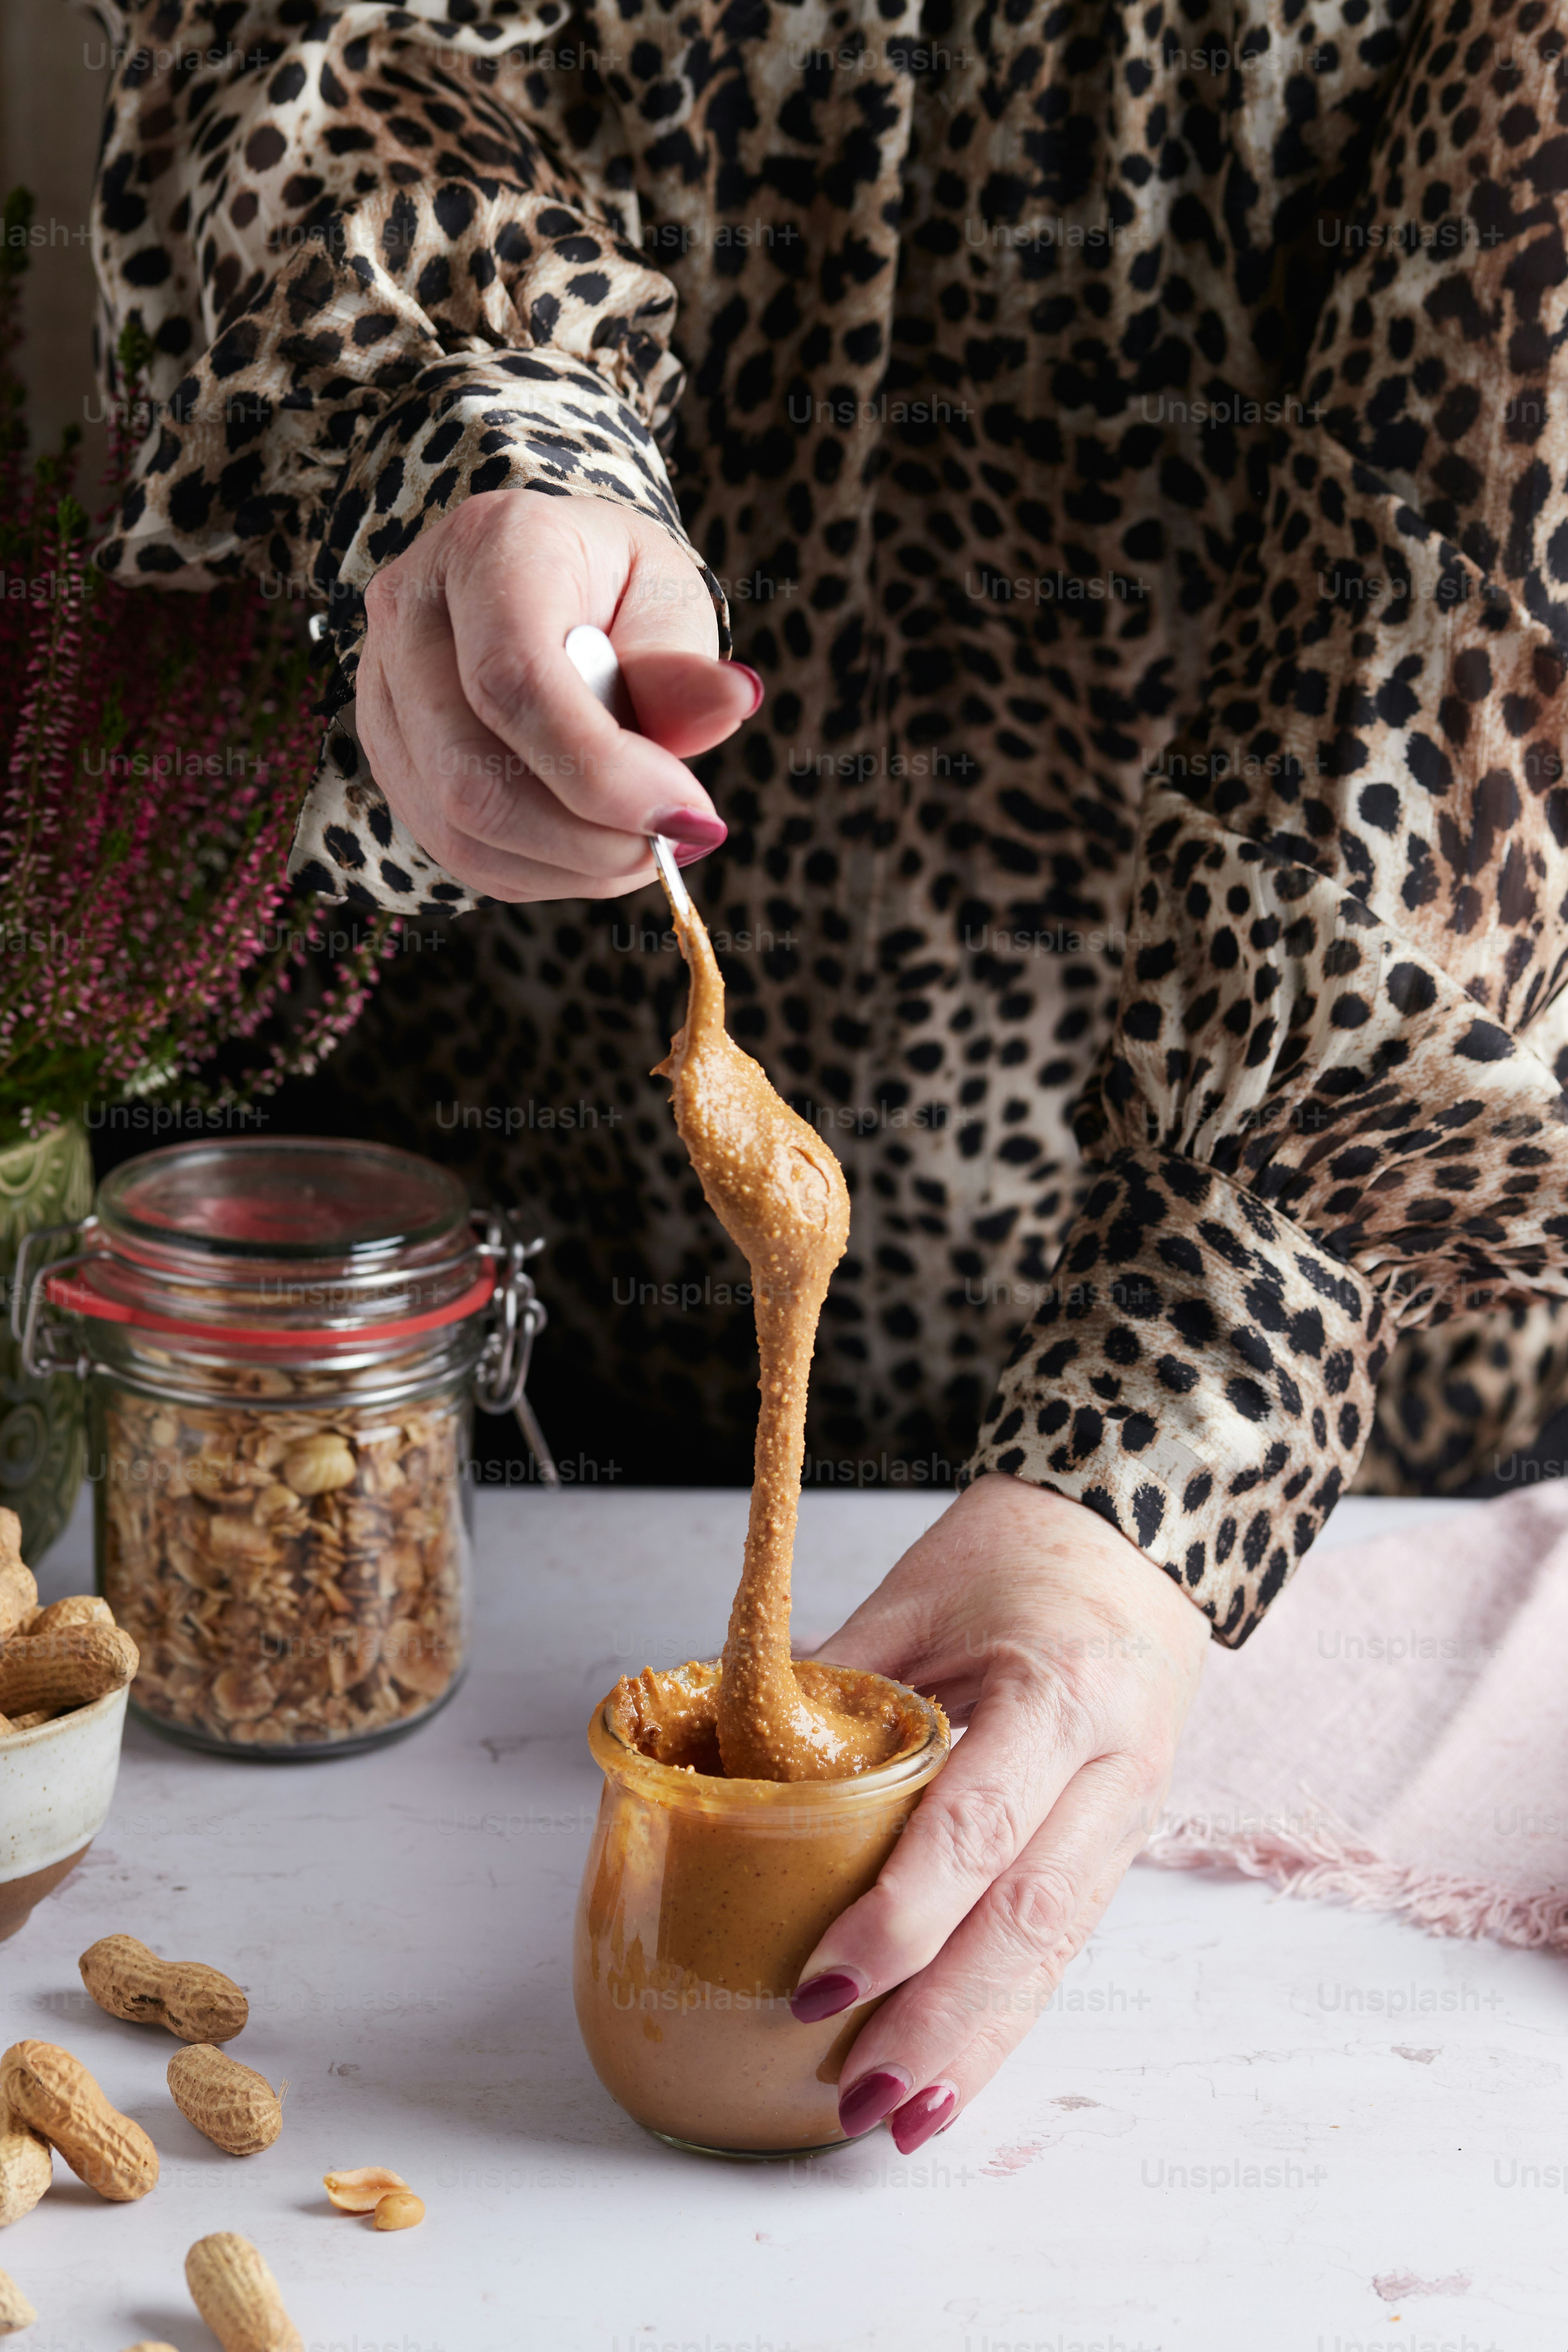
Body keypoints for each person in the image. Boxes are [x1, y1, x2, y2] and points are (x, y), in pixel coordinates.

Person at [80, 0, 1568, 2153]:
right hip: (504, 1259)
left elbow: (1492, 601)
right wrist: (479, 436)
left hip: (1332, 1464)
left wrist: (1177, 1430)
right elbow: (326, 54)